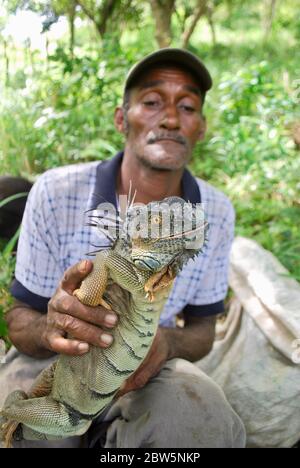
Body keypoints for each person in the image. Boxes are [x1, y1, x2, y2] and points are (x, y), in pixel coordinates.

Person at [0, 48, 246, 448]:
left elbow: (203, 330)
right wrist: (50, 328)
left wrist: (164, 342)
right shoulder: (55, 190)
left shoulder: (215, 211)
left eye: (187, 106)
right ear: (121, 118)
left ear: (200, 127)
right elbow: (19, 317)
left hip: (146, 366)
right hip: (54, 364)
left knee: (201, 419)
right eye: (151, 102)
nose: (169, 119)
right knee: (25, 435)